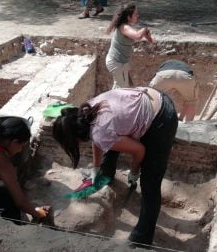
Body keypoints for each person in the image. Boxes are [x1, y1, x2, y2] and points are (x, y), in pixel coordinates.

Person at [52, 87, 178, 245]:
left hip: (161, 118)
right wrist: (96, 169)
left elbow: (139, 150)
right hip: (149, 99)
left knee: (150, 183)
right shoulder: (87, 110)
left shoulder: (100, 131)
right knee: (110, 141)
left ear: (74, 137)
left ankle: (141, 239)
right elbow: (97, 139)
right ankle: (106, 174)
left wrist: (134, 171)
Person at [105, 4, 154, 89]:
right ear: (128, 17)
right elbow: (138, 36)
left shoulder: (127, 27)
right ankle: (111, 101)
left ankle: (113, 100)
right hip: (116, 62)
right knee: (121, 87)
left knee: (126, 86)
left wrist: (147, 35)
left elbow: (148, 40)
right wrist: (144, 29)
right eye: (135, 14)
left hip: (121, 63)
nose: (138, 16)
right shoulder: (124, 27)